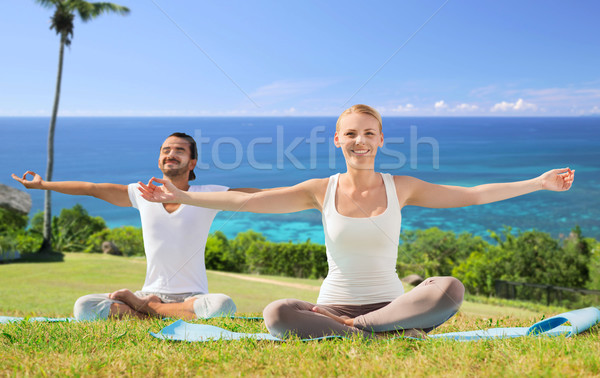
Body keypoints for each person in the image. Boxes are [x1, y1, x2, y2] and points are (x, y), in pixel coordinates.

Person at [136, 106, 575, 339]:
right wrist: (182, 196)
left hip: (391, 304)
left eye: (369, 133)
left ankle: (360, 331)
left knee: (449, 288)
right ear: (338, 140)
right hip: (334, 307)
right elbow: (252, 203)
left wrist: (538, 182)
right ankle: (373, 333)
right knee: (277, 313)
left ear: (380, 140)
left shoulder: (400, 186)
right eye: (351, 133)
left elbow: (474, 195)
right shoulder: (318, 189)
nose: (360, 141)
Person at [12, 132, 258, 321]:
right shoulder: (142, 194)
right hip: (149, 291)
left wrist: (297, 193)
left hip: (192, 298)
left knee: (222, 305)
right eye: (166, 149)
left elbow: (257, 196)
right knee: (84, 306)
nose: (171, 153)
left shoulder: (208, 195)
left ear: (192, 163)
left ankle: (149, 311)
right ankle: (150, 309)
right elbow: (92, 188)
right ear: (160, 158)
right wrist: (44, 185)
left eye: (179, 150)